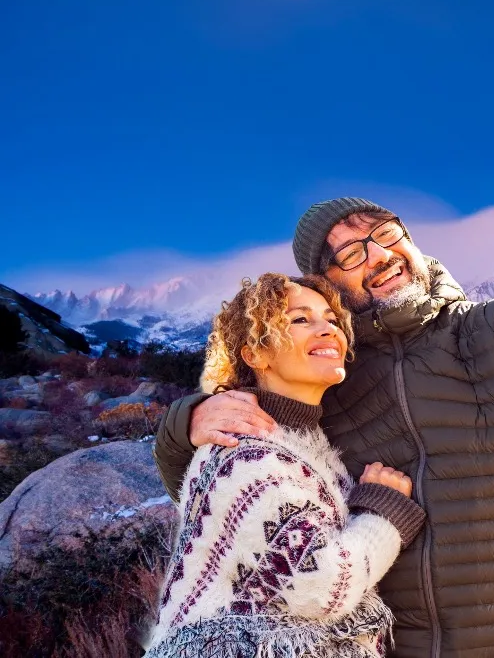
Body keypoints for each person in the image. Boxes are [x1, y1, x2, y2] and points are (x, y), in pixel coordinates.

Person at [154, 174, 494, 657]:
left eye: (385, 233)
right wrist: (188, 423)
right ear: (327, 286)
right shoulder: (329, 380)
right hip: (393, 648)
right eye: (351, 255)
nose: (378, 255)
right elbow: (231, 501)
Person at [145, 273, 427, 657]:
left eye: (331, 319)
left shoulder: (304, 443)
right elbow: (320, 587)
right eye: (300, 319)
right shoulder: (245, 454)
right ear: (255, 354)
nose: (328, 330)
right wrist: (384, 514)